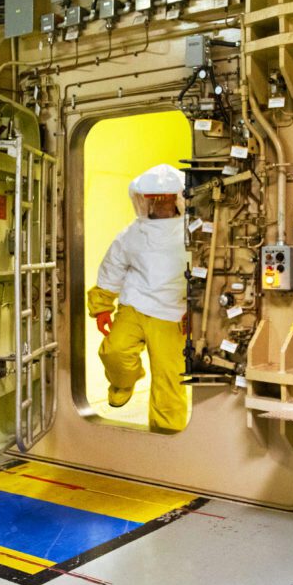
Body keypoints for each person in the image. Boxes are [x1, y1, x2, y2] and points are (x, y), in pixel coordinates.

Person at [86, 163, 189, 433]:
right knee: (114, 352)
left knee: (169, 379)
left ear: (178, 199)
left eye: (166, 198)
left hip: (172, 313)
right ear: (144, 200)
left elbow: (205, 273)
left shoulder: (193, 232)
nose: (161, 204)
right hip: (134, 307)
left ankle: (167, 433)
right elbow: (113, 267)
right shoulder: (132, 233)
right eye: (154, 199)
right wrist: (102, 308)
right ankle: (123, 382)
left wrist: (198, 311)